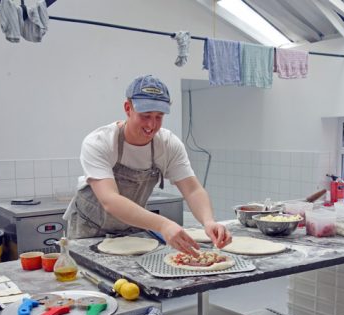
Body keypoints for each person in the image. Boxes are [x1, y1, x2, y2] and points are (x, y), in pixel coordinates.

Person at [64, 75, 231, 254]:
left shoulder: (167, 145)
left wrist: (208, 221)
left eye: (159, 116)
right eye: (145, 115)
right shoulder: (100, 142)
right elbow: (110, 200)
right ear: (128, 108)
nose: (151, 125)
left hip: (131, 230)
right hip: (88, 232)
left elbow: (192, 190)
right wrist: (163, 225)